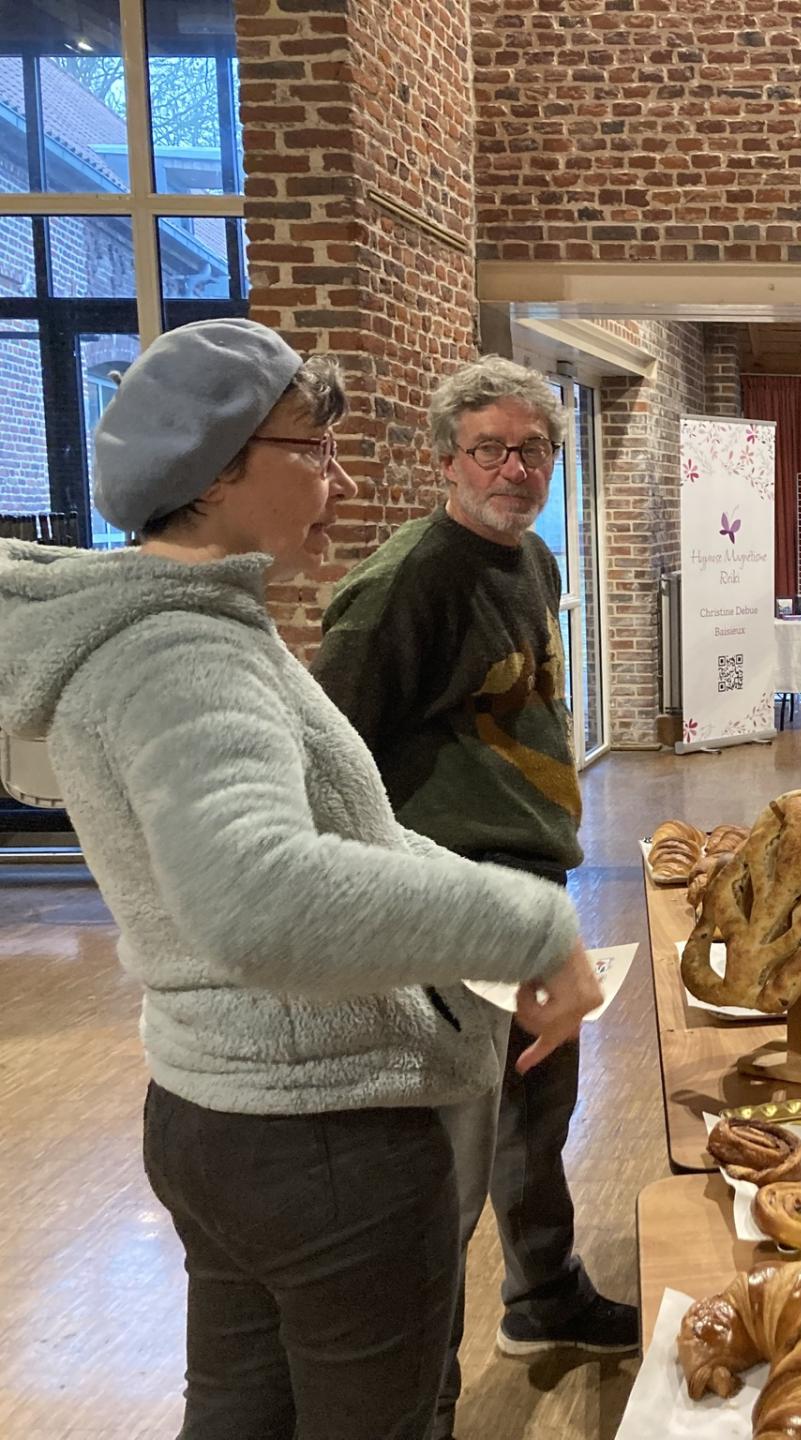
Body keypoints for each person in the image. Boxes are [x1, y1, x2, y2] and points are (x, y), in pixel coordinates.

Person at [0, 319, 599, 1440]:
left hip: (232, 1107)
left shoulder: (202, 626)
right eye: (311, 451)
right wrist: (523, 922)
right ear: (220, 470)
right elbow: (258, 897)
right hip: (317, 1128)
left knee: (241, 1414)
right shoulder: (183, 653)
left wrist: (517, 922)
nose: (337, 477)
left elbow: (354, 821)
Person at [309, 356, 636, 1440]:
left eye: (533, 449)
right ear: (443, 459)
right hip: (447, 906)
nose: (513, 468)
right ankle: (421, 1398)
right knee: (442, 1167)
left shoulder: (532, 559)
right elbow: (330, 759)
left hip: (531, 892)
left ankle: (543, 1301)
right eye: (489, 449)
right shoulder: (406, 582)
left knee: (538, 1117)